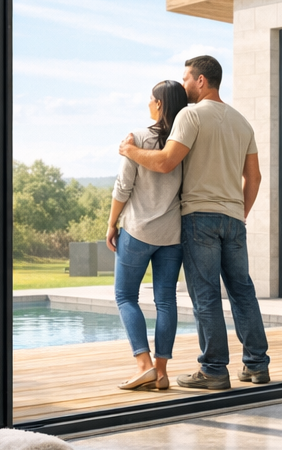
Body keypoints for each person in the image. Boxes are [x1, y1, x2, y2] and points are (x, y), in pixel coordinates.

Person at [119, 54, 270, 390]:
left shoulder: (191, 115)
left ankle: (214, 370)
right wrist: (238, 212)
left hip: (199, 217)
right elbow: (254, 177)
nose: (183, 83)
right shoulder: (242, 122)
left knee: (206, 295)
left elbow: (165, 162)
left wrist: (129, 152)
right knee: (242, 291)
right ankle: (257, 365)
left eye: (187, 77)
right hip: (233, 218)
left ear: (201, 81)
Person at [107, 80, 189, 391]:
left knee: (126, 296)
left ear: (159, 104)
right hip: (172, 234)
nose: (148, 103)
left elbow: (122, 187)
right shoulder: (185, 142)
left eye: (151, 99)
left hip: (138, 231)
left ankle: (143, 366)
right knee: (165, 300)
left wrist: (111, 223)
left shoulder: (138, 138)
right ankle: (162, 371)